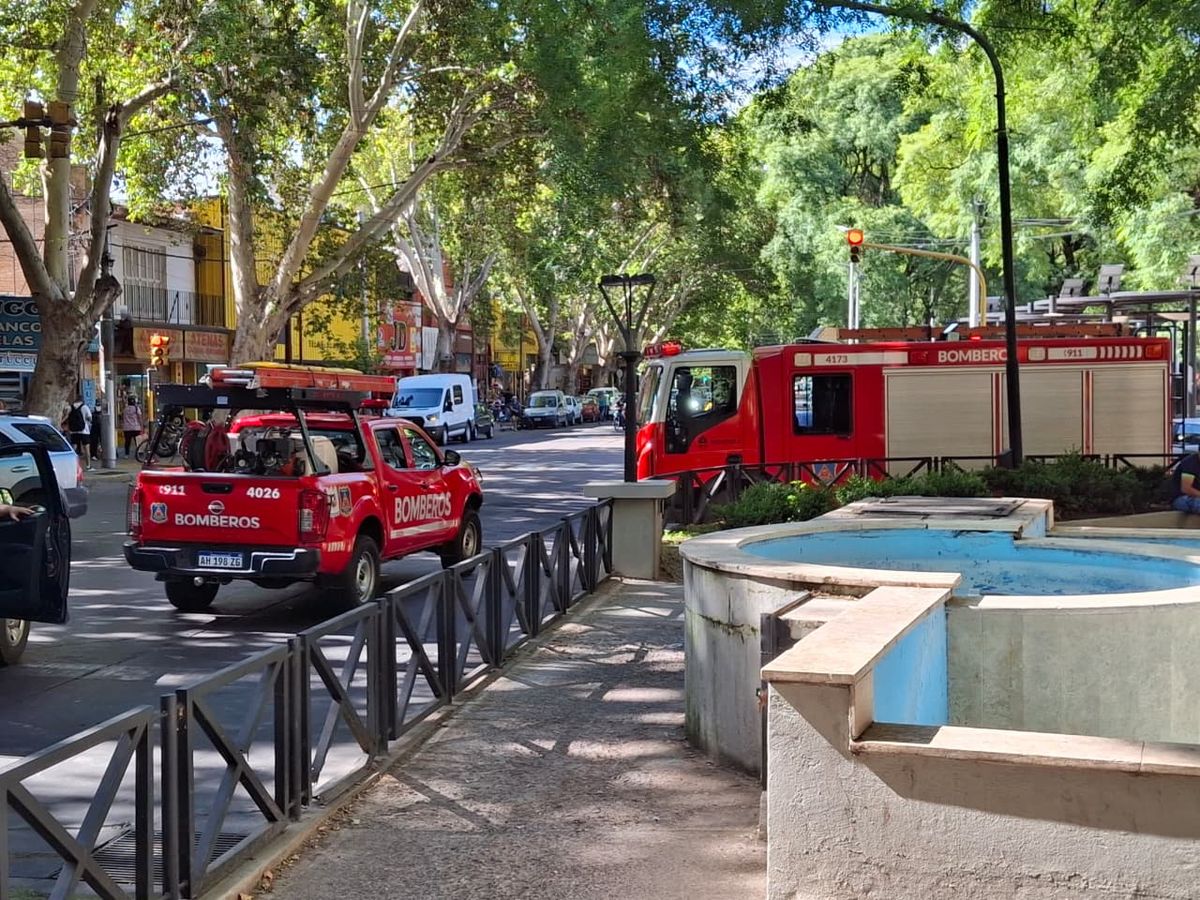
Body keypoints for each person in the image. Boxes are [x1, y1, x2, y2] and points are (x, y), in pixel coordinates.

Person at [65, 395, 92, 469]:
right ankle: (88, 466)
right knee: (86, 449)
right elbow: (89, 418)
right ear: (82, 400)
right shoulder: (85, 407)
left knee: (74, 448)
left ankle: (71, 464)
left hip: (73, 431)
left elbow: (66, 417)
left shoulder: (70, 407)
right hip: (84, 431)